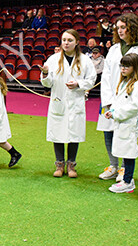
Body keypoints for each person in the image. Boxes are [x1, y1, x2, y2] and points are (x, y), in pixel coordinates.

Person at [96, 13, 138, 182]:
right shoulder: (113, 49)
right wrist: (108, 99)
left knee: (126, 134)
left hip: (128, 98)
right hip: (110, 98)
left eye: (123, 27)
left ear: (132, 28)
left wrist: (126, 97)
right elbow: (106, 76)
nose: (119, 31)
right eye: (117, 27)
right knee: (108, 131)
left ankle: (125, 169)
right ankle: (113, 165)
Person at [40, 29, 96, 177]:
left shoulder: (85, 60)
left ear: (77, 42)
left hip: (75, 101)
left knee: (74, 134)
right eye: (64, 40)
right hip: (59, 100)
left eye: (70, 40)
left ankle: (71, 165)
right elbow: (48, 83)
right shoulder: (53, 59)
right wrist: (45, 73)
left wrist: (78, 84)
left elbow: (91, 79)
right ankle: (59, 165)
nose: (66, 43)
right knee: (57, 132)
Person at [103, 53, 138, 193]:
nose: (123, 69)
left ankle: (128, 180)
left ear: (135, 67)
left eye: (127, 66)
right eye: (122, 66)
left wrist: (116, 114)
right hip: (121, 122)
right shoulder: (123, 83)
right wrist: (112, 111)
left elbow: (134, 107)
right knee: (123, 150)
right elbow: (118, 102)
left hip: (129, 123)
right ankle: (127, 179)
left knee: (129, 153)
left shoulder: (137, 85)